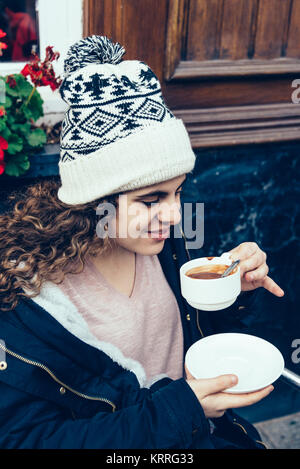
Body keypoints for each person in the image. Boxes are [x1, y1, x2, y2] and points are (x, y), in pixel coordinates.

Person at [0, 36, 284, 449]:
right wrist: (177, 412)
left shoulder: (164, 246)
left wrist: (230, 293)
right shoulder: (30, 305)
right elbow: (29, 440)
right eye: (151, 200)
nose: (173, 215)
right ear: (95, 199)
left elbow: (197, 347)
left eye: (178, 192)